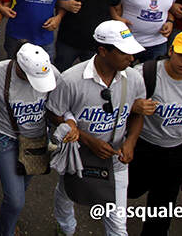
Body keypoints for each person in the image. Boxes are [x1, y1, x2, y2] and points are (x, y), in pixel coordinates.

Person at [47, 20, 147, 236]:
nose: (131, 58)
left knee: (118, 222)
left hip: (116, 159)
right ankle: (66, 228)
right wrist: (86, 138)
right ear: (103, 51)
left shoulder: (135, 78)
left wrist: (130, 143)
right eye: (124, 53)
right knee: (68, 193)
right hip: (78, 155)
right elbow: (54, 112)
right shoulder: (71, 79)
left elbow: (138, 113)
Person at [128, 31, 182, 236]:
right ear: (171, 51)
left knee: (162, 204)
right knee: (133, 190)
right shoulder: (144, 73)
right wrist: (134, 105)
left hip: (178, 151)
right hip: (145, 147)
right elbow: (114, 102)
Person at [0, 43, 65, 236]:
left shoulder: (52, 73)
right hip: (6, 139)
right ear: (18, 66)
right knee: (15, 199)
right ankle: (8, 231)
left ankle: (9, 216)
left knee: (21, 188)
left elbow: (60, 105)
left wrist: (67, 123)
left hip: (37, 141)